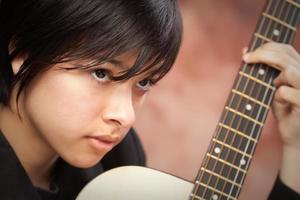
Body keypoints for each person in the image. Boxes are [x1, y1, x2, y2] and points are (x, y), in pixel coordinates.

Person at [0, 0, 298, 200]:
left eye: (143, 82)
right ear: (22, 50)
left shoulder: (120, 163)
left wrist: (296, 148)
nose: (125, 116)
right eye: (101, 73)